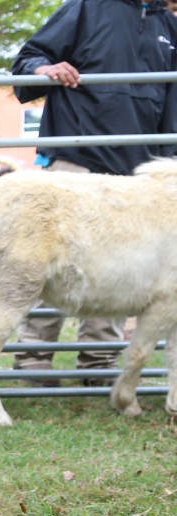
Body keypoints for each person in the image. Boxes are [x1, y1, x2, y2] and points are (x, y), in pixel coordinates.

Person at [10, 0, 177, 384]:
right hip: (77, 160)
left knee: (122, 268)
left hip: (138, 173)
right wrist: (43, 68)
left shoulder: (167, 23)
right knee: (49, 261)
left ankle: (98, 361)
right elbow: (30, 56)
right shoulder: (87, 7)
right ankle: (34, 357)